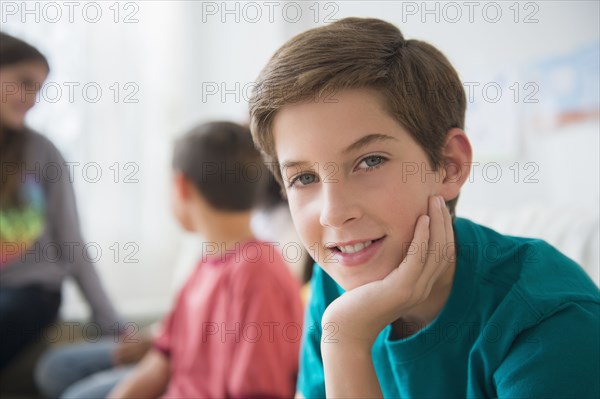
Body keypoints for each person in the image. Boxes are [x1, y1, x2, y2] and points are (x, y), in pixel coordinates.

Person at [248, 17, 600, 398]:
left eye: (370, 161)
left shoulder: (548, 318)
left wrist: (347, 344)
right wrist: (344, 338)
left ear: (449, 164)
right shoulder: (336, 286)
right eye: (303, 178)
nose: (333, 213)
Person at [103, 121, 303, 398]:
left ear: (181, 186)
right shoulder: (206, 266)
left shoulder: (258, 275)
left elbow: (260, 391)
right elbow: (162, 359)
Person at [0, 32, 121, 372]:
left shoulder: (42, 153)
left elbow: (72, 243)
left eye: (37, 89)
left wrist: (113, 326)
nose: (32, 99)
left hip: (31, 294)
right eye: (24, 83)